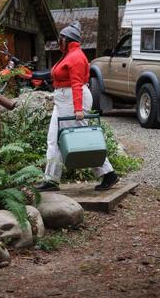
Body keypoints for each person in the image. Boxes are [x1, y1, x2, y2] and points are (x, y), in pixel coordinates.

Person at [36, 21, 119, 192]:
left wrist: (78, 109)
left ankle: (108, 173)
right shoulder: (68, 55)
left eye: (61, 39)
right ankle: (51, 179)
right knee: (53, 139)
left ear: (67, 40)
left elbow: (76, 84)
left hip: (73, 100)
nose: (59, 42)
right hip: (63, 99)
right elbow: (56, 75)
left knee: (84, 139)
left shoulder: (75, 57)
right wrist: (33, 75)